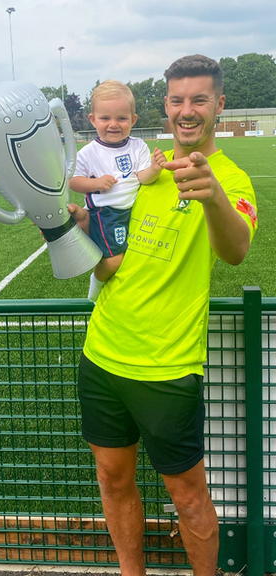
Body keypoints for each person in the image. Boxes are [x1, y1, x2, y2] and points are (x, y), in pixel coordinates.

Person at [69, 54, 255, 575]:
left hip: (168, 367)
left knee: (190, 497)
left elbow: (236, 249)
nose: (187, 110)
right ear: (166, 106)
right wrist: (72, 231)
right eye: (177, 100)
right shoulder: (143, 177)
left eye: (199, 99)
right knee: (112, 479)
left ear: (219, 105)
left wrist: (213, 197)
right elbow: (109, 270)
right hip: (102, 354)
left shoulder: (231, 179)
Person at [69, 80, 165, 301]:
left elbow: (143, 177)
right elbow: (73, 181)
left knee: (136, 257)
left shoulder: (138, 146)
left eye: (121, 118)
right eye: (105, 118)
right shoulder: (88, 153)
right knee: (114, 261)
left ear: (133, 120)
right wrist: (96, 184)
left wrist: (155, 168)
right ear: (93, 120)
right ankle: (95, 290)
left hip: (137, 211)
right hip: (108, 214)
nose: (114, 124)